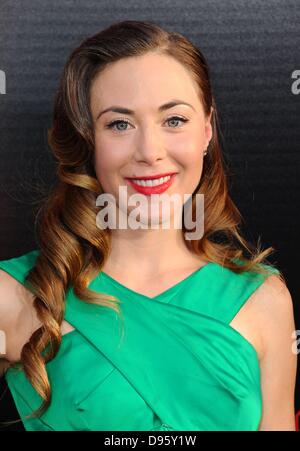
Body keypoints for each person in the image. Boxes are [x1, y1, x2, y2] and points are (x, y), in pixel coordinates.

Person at [0, 19, 297, 431]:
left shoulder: (264, 299)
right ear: (89, 140)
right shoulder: (15, 294)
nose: (150, 152)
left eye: (174, 120)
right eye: (119, 124)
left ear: (207, 130)